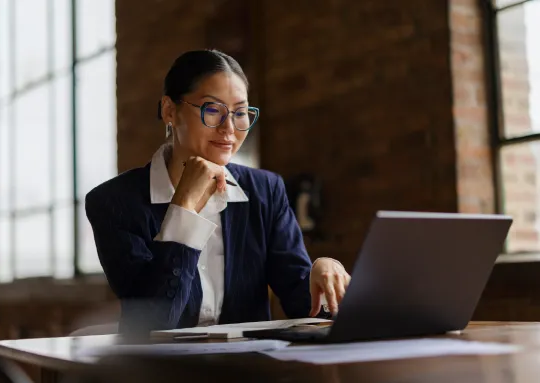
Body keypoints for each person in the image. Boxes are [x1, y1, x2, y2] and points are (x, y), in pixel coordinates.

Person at [85, 49, 351, 334]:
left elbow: (302, 304)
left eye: (240, 113)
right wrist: (184, 209)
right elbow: (152, 321)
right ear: (169, 111)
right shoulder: (113, 202)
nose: (229, 128)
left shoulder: (266, 191)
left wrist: (322, 271)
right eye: (212, 109)